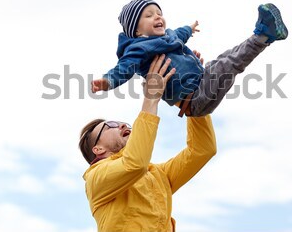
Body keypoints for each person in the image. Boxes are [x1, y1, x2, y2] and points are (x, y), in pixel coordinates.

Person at [80, 54, 217, 232]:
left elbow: (203, 149)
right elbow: (135, 163)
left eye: (122, 123)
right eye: (109, 126)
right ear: (97, 149)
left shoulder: (158, 175)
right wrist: (151, 97)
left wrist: (190, 99)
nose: (121, 124)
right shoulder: (96, 178)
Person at [91, 0, 288, 117]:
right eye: (149, 15)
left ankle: (263, 34)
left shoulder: (168, 35)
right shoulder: (138, 48)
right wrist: (107, 82)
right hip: (193, 99)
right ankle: (263, 35)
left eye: (159, 13)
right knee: (229, 64)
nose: (158, 17)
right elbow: (124, 68)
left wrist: (190, 29)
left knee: (224, 58)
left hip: (200, 82)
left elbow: (180, 33)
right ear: (136, 30)